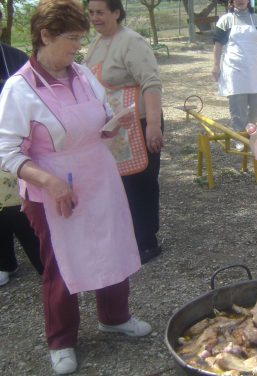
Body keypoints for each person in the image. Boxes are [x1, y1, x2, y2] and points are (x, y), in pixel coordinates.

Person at [0, 1, 151, 374]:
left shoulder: (82, 74)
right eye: (71, 39)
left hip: (98, 177)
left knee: (110, 246)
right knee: (61, 264)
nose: (77, 48)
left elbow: (97, 116)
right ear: (45, 36)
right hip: (53, 189)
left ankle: (114, 316)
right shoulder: (19, 89)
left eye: (80, 39)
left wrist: (110, 126)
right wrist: (49, 181)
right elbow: (6, 150)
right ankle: (62, 340)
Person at [85, 0, 165, 264]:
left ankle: (146, 242)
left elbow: (150, 82)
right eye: (91, 13)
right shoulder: (95, 45)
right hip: (115, 128)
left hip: (140, 122)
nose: (94, 18)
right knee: (119, 183)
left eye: (100, 12)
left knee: (141, 182)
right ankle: (125, 237)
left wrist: (153, 124)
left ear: (116, 13)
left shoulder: (132, 41)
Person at [0, 8, 44, 286]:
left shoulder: (14, 58)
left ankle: (43, 261)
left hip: (11, 142)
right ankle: (4, 262)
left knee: (15, 206)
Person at [212, 0, 257, 149]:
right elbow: (218, 45)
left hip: (255, 68)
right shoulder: (225, 20)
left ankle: (251, 129)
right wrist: (216, 65)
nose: (240, 1)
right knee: (238, 105)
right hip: (234, 69)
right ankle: (240, 137)